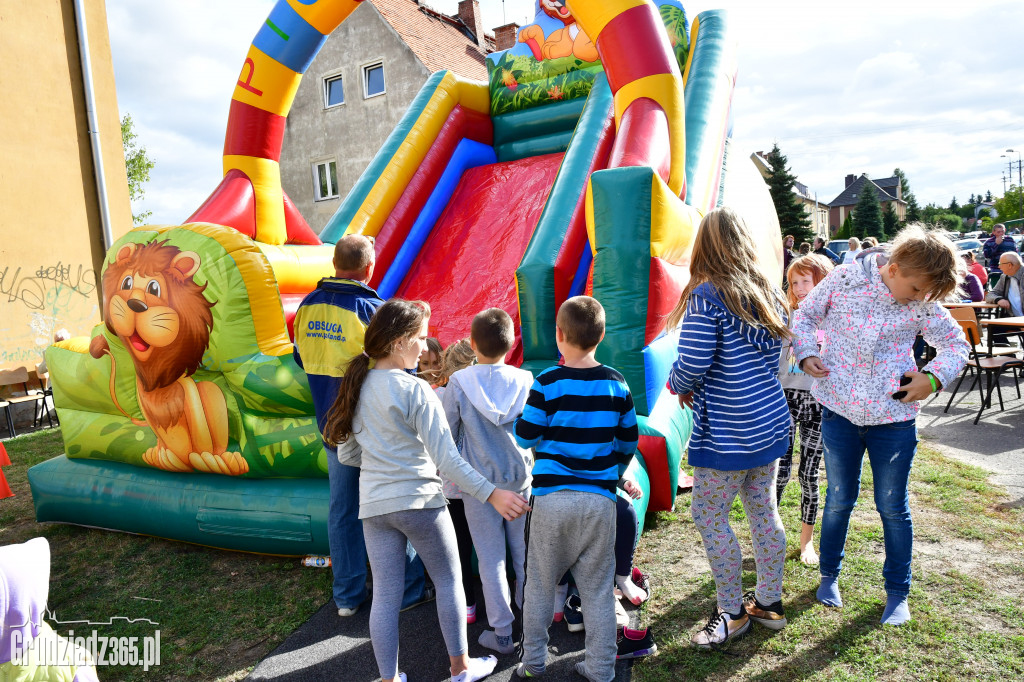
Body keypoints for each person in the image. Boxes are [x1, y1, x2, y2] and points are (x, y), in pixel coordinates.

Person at [323, 299, 530, 682]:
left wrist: (382, 452)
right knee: (450, 581)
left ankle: (388, 678)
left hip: (375, 507)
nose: (424, 346)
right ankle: (460, 668)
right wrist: (493, 494)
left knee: (385, 595)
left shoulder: (359, 385)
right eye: (419, 338)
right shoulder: (415, 390)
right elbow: (449, 461)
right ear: (400, 342)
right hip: (420, 503)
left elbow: (349, 453)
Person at [793, 224, 969, 626]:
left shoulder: (922, 300)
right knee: (839, 498)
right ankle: (829, 576)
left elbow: (956, 344)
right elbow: (804, 318)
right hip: (839, 410)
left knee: (892, 505)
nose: (920, 299)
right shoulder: (846, 278)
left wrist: (934, 377)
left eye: (926, 295)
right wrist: (805, 354)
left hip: (893, 419)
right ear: (895, 269)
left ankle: (897, 592)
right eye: (916, 289)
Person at [667, 207, 791, 648]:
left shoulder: (707, 294)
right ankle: (770, 603)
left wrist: (677, 382)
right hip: (769, 421)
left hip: (728, 429)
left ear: (706, 245)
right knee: (764, 514)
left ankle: (733, 613)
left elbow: (694, 361)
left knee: (709, 516)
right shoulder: (768, 293)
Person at [292, 234, 427, 617]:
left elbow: (302, 360)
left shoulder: (306, 308)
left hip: (332, 429)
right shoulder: (372, 309)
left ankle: (348, 596)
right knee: (397, 499)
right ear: (369, 267)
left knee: (342, 510)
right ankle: (407, 590)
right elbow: (402, 370)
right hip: (376, 429)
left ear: (334, 264)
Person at [513, 296, 639, 681]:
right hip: (599, 502)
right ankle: (601, 667)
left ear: (559, 335)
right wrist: (610, 472)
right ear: (601, 336)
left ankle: (533, 663)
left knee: (539, 585)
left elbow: (525, 434)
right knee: (598, 589)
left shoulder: (547, 381)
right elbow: (628, 440)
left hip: (551, 501)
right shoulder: (616, 383)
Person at [441, 308, 533, 656]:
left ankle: (503, 633)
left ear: (472, 343)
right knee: (525, 556)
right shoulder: (525, 380)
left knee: (491, 559)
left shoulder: (459, 384)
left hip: (478, 489)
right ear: (510, 345)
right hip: (520, 482)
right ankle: (533, 622)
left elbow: (447, 434)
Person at [776, 254, 833, 566]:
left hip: (818, 402)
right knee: (779, 472)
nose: (798, 288)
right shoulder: (785, 313)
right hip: (784, 397)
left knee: (809, 473)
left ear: (822, 280)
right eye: (794, 282)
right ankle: (770, 535)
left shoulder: (835, 317)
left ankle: (806, 542)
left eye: (805, 281)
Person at [435, 338, 479, 624]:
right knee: (488, 547)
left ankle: (469, 605)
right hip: (481, 483)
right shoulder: (480, 390)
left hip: (451, 485)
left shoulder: (438, 394)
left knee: (460, 545)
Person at [985, 252, 1024, 346]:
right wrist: (998, 299)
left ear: (1010, 265)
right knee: (993, 328)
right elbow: (991, 294)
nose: (999, 267)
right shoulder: (1004, 277)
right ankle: (1010, 357)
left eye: (1000, 264)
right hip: (1014, 319)